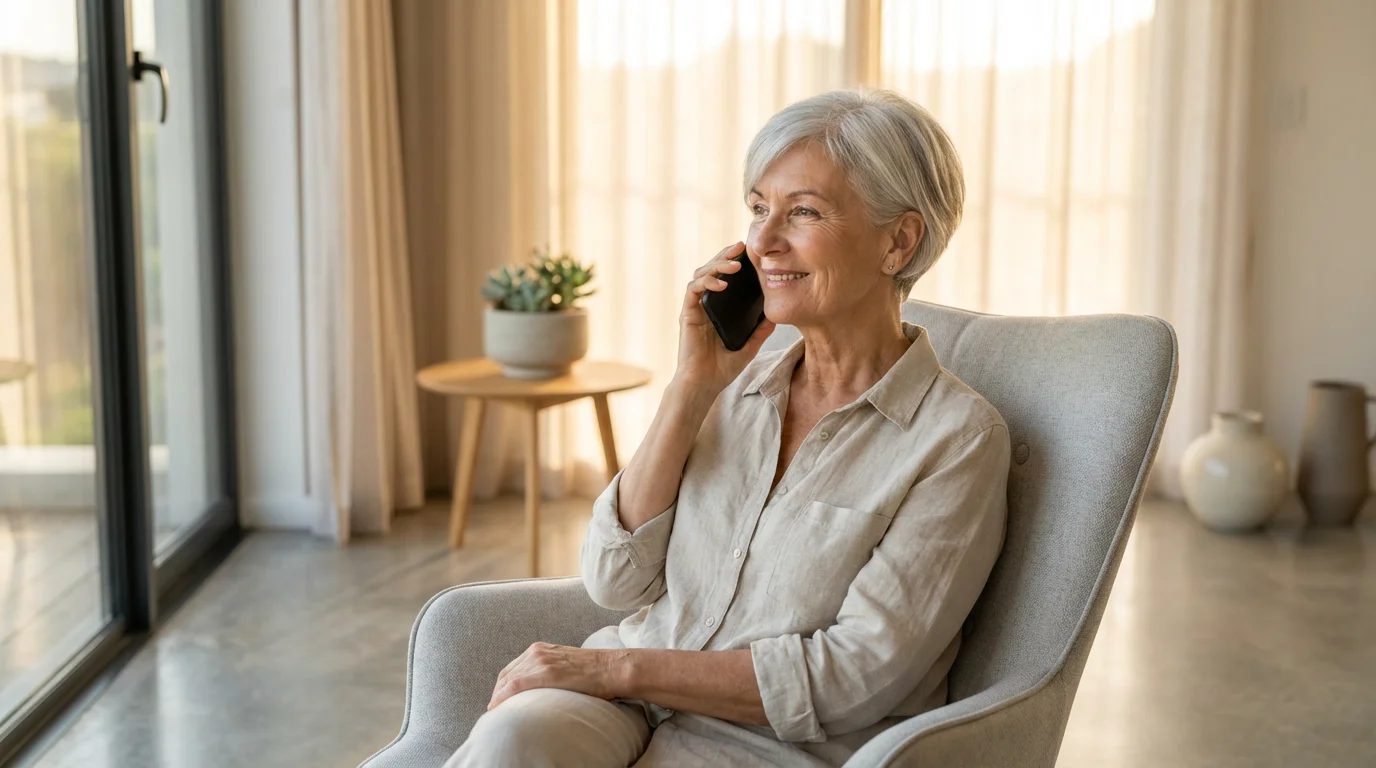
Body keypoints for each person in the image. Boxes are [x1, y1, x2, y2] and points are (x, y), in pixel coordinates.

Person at [448, 89, 1010, 767]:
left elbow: (858, 671)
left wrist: (615, 671)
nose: (763, 242)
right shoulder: (734, 384)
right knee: (512, 738)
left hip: (768, 740)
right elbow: (613, 581)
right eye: (757, 208)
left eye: (802, 212)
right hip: (623, 706)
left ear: (899, 241)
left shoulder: (956, 440)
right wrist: (692, 387)